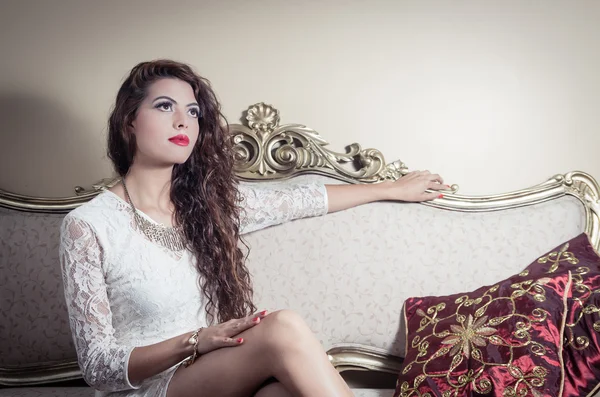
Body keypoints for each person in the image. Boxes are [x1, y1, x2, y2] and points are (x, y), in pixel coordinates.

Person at [59, 59, 447, 397]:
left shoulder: (208, 207)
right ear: (130, 119)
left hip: (214, 377)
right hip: (148, 390)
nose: (183, 121)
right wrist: (195, 341)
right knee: (282, 327)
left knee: (282, 392)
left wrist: (392, 188)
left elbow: (305, 199)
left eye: (194, 112)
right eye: (165, 106)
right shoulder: (89, 225)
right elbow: (98, 367)